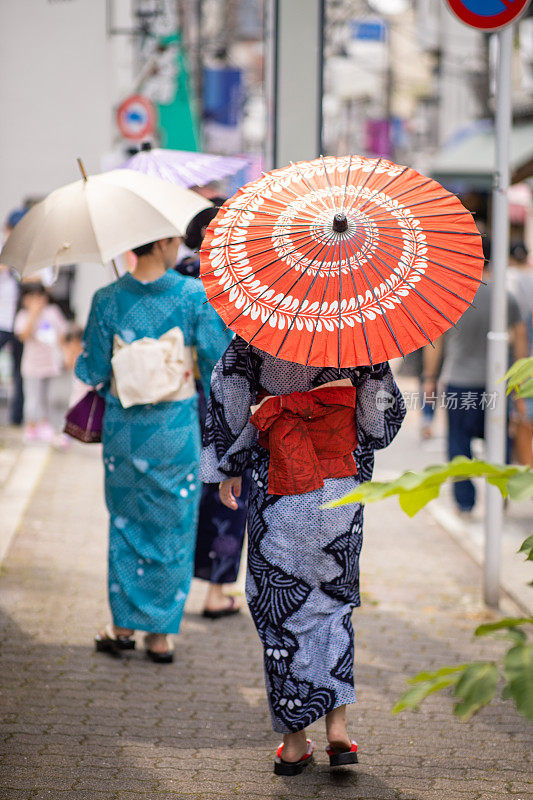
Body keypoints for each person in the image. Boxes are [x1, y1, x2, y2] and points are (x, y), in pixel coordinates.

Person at [200, 336, 405, 774]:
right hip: (339, 485)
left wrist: (226, 469)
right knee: (333, 601)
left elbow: (227, 393)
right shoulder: (359, 334)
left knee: (279, 607)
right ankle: (338, 729)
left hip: (280, 485)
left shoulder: (262, 330)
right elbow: (378, 422)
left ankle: (294, 744)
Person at [75, 236, 232, 662]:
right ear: (162, 242)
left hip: (124, 428)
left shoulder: (107, 297)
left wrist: (129, 357)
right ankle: (160, 635)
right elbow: (219, 359)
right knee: (174, 525)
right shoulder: (194, 294)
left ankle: (122, 625)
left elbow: (89, 368)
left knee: (126, 524)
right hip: (175, 429)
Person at [176, 206, 250, 618]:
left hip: (182, 397)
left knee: (185, 491)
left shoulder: (179, 276)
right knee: (230, 492)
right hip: (228, 395)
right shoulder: (237, 278)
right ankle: (216, 592)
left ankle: (175, 585)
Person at [423, 261, 527, 513]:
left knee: (458, 443)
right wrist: (519, 385)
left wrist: (429, 378)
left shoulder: (452, 297)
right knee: (499, 440)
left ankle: (464, 501)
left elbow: (435, 342)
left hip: (459, 382)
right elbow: (522, 341)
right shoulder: (506, 297)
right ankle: (498, 496)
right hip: (496, 383)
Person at [14, 283, 67, 442]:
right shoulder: (23, 315)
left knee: (48, 396)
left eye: (40, 296)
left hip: (50, 363)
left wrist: (63, 354)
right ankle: (30, 426)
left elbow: (62, 333)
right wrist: (33, 315)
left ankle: (45, 424)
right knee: (32, 398)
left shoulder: (52, 312)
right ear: (25, 299)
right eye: (33, 296)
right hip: (32, 365)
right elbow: (23, 335)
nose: (38, 300)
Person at [0, 209, 26, 426]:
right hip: (1, 319)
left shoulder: (27, 252)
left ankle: (17, 418)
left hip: (19, 321)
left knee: (21, 372)